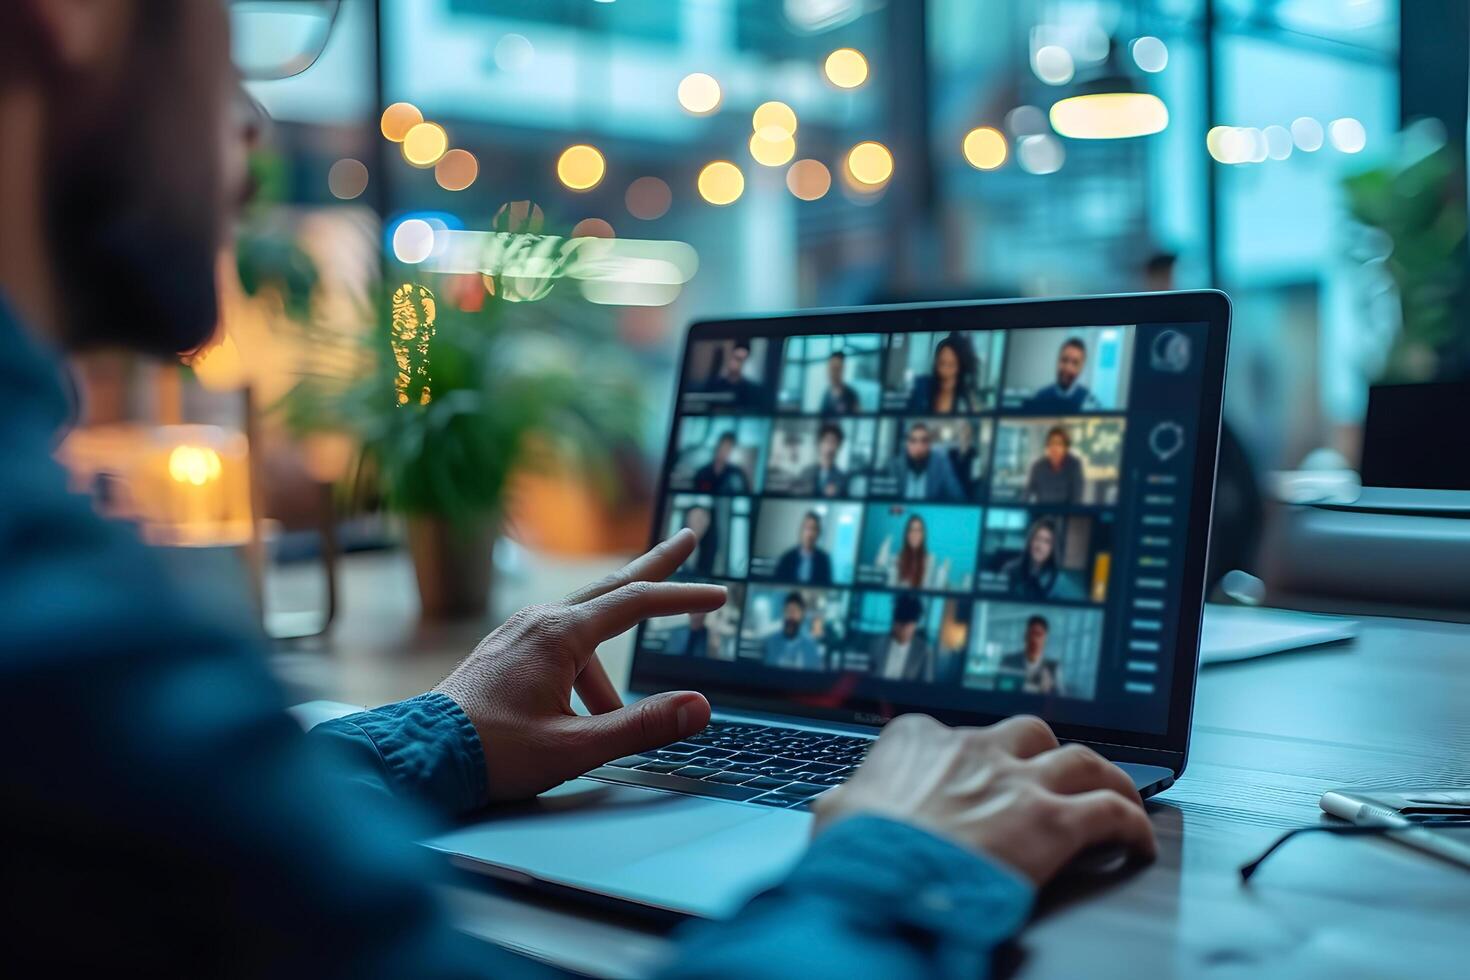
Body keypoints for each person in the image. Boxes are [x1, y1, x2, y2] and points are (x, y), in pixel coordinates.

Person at [2, 3, 1156, 975]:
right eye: (229, 27)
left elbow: (200, 848)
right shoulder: (55, 634)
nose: (252, 114)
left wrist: (439, 735)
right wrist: (899, 860)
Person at [1001, 518, 1086, 601]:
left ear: (1052, 548)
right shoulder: (1010, 570)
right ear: (1030, 541)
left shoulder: (1058, 580)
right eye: (1037, 538)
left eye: (1047, 542)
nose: (1040, 546)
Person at [884, 422, 966, 502]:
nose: (919, 446)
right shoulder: (894, 466)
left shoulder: (941, 465)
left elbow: (958, 497)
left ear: (929, 444)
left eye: (924, 441)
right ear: (907, 444)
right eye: (913, 440)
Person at [907, 333, 981, 414]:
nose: (945, 370)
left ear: (960, 367)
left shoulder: (967, 399)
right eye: (942, 363)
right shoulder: (922, 390)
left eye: (951, 365)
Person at [869, 593, 936, 682]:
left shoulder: (924, 651)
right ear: (894, 621)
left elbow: (926, 687)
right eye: (900, 622)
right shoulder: (876, 644)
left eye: (908, 624)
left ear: (915, 625)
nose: (903, 628)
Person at [874, 514, 951, 590]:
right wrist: (884, 546)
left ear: (923, 535)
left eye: (918, 530)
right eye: (911, 530)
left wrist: (943, 572)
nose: (915, 534)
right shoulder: (897, 558)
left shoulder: (930, 559)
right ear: (906, 534)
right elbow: (880, 570)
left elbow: (937, 586)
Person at [1024, 337, 1098, 413]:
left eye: (1075, 363)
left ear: (1081, 368)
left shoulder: (1088, 400)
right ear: (1057, 361)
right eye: (1064, 360)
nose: (1067, 368)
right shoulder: (1039, 397)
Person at [999, 616, 1064, 695]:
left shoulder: (1053, 668)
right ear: (1025, 636)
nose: (1035, 639)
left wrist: (1048, 690)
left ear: (1045, 639)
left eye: (1039, 635)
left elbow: (1060, 700)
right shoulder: (1009, 662)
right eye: (1032, 633)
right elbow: (1000, 690)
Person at [762, 592, 825, 670]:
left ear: (802, 615)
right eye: (788, 611)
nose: (790, 616)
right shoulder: (771, 643)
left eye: (794, 612)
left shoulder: (811, 647)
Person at [1024, 426, 1086, 505]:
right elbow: (1027, 493)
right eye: (1051, 443)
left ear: (1066, 447)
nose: (1054, 447)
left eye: (1059, 444)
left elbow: (1077, 498)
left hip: (1066, 514)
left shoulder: (1074, 465)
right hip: (1042, 514)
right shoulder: (1038, 467)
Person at [773, 511, 834, 585]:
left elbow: (826, 586)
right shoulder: (787, 557)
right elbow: (777, 584)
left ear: (818, 533)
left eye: (814, 529)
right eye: (807, 528)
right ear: (801, 531)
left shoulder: (824, 559)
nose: (810, 534)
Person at [702, 340, 763, 408]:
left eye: (744, 360)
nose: (740, 364)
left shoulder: (752, 391)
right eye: (737, 359)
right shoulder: (712, 385)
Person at [798, 423, 850, 498]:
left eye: (834, 442)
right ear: (819, 444)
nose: (829, 446)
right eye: (826, 441)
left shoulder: (842, 479)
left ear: (839, 447)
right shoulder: (805, 473)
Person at [681, 503, 721, 576]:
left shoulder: (715, 553)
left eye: (702, 520)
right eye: (695, 519)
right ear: (687, 521)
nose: (699, 524)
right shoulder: (678, 545)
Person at [819, 349, 862, 415]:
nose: (832, 373)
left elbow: (859, 419)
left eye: (836, 369)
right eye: (830, 368)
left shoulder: (851, 395)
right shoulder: (826, 395)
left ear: (843, 369)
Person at [948, 419, 982, 499]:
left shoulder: (975, 454)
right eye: (962, 431)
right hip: (951, 495)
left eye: (966, 431)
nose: (964, 434)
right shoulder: (951, 453)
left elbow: (976, 479)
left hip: (967, 495)